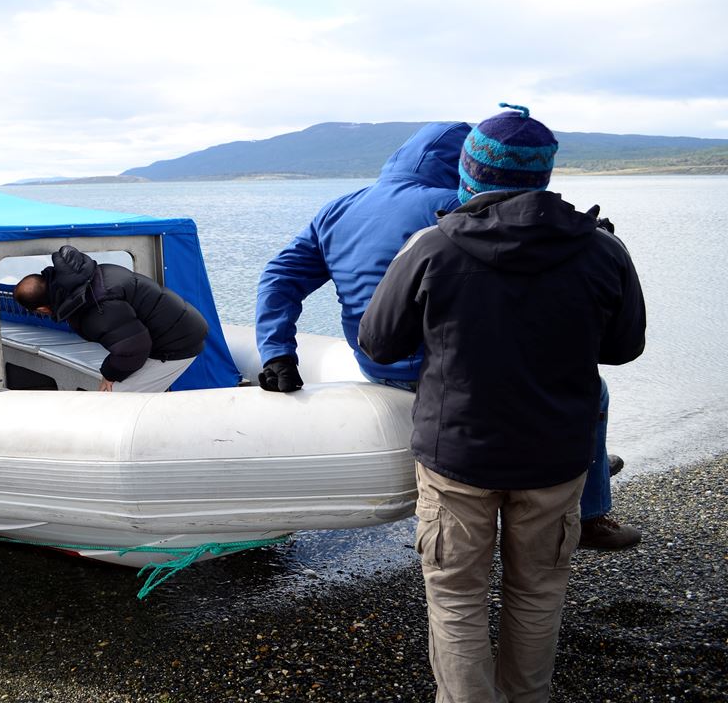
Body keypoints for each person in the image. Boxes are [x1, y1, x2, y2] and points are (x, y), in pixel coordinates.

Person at [357, 103, 646, 702]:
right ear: (543, 174)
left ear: (470, 173)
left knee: (456, 597)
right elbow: (624, 348)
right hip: (555, 457)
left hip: (457, 455)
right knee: (538, 592)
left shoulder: (431, 246)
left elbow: (378, 343)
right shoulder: (603, 250)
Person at [254, 119, 640, 550]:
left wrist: (277, 351)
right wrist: (587, 238)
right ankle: (587, 507)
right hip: (456, 367)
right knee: (592, 389)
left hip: (378, 363)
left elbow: (279, 276)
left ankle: (584, 467)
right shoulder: (458, 205)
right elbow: (531, 261)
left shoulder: (338, 209)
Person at [14, 245, 208, 392]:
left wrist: (109, 374)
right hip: (172, 329)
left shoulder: (95, 307)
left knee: (117, 397)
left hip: (177, 342)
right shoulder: (88, 277)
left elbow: (133, 348)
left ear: (42, 309)